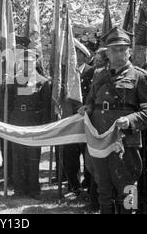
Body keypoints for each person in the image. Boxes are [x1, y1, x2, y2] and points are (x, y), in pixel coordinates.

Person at [81, 28, 147, 214]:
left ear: (129, 51)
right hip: (100, 141)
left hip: (125, 142)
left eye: (123, 49)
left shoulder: (140, 76)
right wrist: (87, 109)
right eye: (114, 49)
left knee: (128, 188)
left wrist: (130, 120)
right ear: (107, 52)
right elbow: (91, 102)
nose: (119, 53)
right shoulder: (99, 75)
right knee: (103, 190)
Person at [9, 48, 52, 199]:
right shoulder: (14, 80)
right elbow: (9, 105)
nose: (28, 65)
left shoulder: (43, 82)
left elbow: (46, 107)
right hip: (17, 121)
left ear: (36, 62)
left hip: (34, 122)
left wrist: (45, 127)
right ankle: (19, 189)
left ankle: (33, 189)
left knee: (33, 156)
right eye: (25, 62)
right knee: (18, 156)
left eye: (31, 62)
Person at [62, 40, 92, 195]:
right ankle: (73, 187)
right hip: (70, 121)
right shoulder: (65, 74)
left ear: (82, 55)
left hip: (87, 121)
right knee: (70, 156)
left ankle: (88, 185)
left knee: (88, 156)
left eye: (75, 53)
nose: (72, 56)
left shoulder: (92, 72)